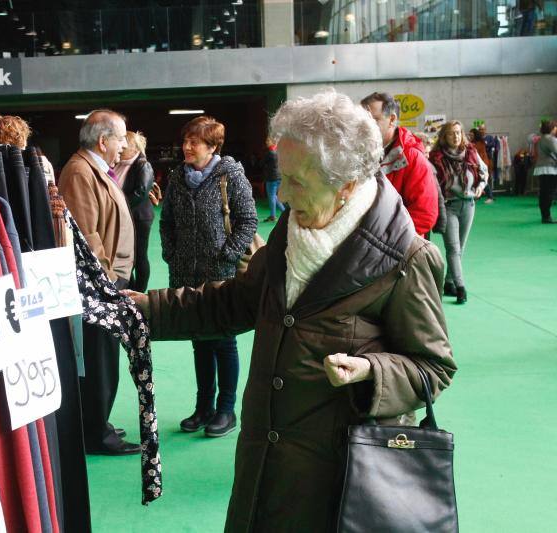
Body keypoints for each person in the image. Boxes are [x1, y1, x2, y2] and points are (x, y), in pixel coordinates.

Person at [125, 90, 456, 531]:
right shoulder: (292, 230)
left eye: (299, 182)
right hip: (263, 467)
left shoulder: (406, 259)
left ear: (348, 184)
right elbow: (233, 302)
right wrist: (138, 311)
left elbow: (433, 367)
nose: (284, 196)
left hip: (339, 484)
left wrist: (371, 372)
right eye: (284, 176)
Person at [159, 115, 257, 437]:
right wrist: (171, 253)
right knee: (199, 340)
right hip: (186, 273)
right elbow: (167, 221)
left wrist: (227, 254)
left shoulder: (231, 175)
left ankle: (226, 410)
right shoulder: (177, 178)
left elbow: (247, 220)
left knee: (223, 341)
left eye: (194, 142)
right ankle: (204, 407)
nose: (186, 147)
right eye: (185, 141)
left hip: (221, 274)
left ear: (212, 146)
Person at [57, 109, 141, 455]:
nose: (124, 144)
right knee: (99, 359)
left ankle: (97, 422)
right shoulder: (79, 171)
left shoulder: (91, 168)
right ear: (103, 141)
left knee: (103, 357)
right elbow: (86, 235)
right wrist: (107, 280)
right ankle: (95, 431)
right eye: (120, 137)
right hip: (100, 283)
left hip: (108, 280)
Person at [361, 92, 439, 236]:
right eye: (362, 121)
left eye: (373, 120)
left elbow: (424, 214)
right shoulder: (357, 153)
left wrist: (384, 238)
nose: (365, 127)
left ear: (392, 119)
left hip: (397, 248)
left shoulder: (412, 158)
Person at [429, 120, 488, 304]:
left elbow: (484, 172)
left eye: (458, 132)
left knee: (459, 249)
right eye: (451, 133)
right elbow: (430, 182)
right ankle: (461, 287)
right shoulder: (436, 157)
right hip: (448, 206)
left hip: (469, 205)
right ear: (444, 137)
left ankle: (448, 283)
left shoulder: (471, 152)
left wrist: (480, 185)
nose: (456, 136)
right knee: (453, 249)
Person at [114, 131, 156, 291]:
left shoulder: (143, 164)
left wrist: (119, 209)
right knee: (125, 255)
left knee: (139, 256)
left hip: (139, 217)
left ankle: (140, 292)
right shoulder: (118, 163)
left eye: (124, 144)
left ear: (133, 147)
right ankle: (128, 288)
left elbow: (140, 192)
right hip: (125, 216)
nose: (121, 146)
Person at [533, 120, 557, 223]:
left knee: (544, 193)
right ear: (551, 128)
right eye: (555, 127)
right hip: (550, 169)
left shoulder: (540, 139)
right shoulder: (550, 139)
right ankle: (546, 216)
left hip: (542, 168)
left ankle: (545, 215)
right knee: (548, 194)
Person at [261, 136, 286, 222]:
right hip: (278, 177)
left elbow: (261, 163)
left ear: (273, 142)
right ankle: (285, 212)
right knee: (274, 196)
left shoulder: (270, 153)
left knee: (271, 196)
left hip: (271, 178)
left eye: (268, 141)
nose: (266, 142)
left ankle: (273, 216)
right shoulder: (278, 152)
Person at [471, 126, 496, 204]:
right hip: (477, 164)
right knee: (478, 180)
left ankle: (490, 197)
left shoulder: (479, 143)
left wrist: (478, 165)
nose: (470, 136)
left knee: (483, 180)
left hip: (482, 164)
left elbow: (480, 155)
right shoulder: (474, 142)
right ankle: (478, 195)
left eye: (471, 135)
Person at [478, 123, 499, 203]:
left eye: (483, 129)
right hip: (480, 161)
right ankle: (483, 195)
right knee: (481, 178)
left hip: (488, 160)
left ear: (485, 130)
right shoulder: (478, 139)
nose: (481, 131)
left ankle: (490, 196)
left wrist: (486, 144)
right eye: (480, 129)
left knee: (486, 177)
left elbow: (492, 145)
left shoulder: (489, 137)